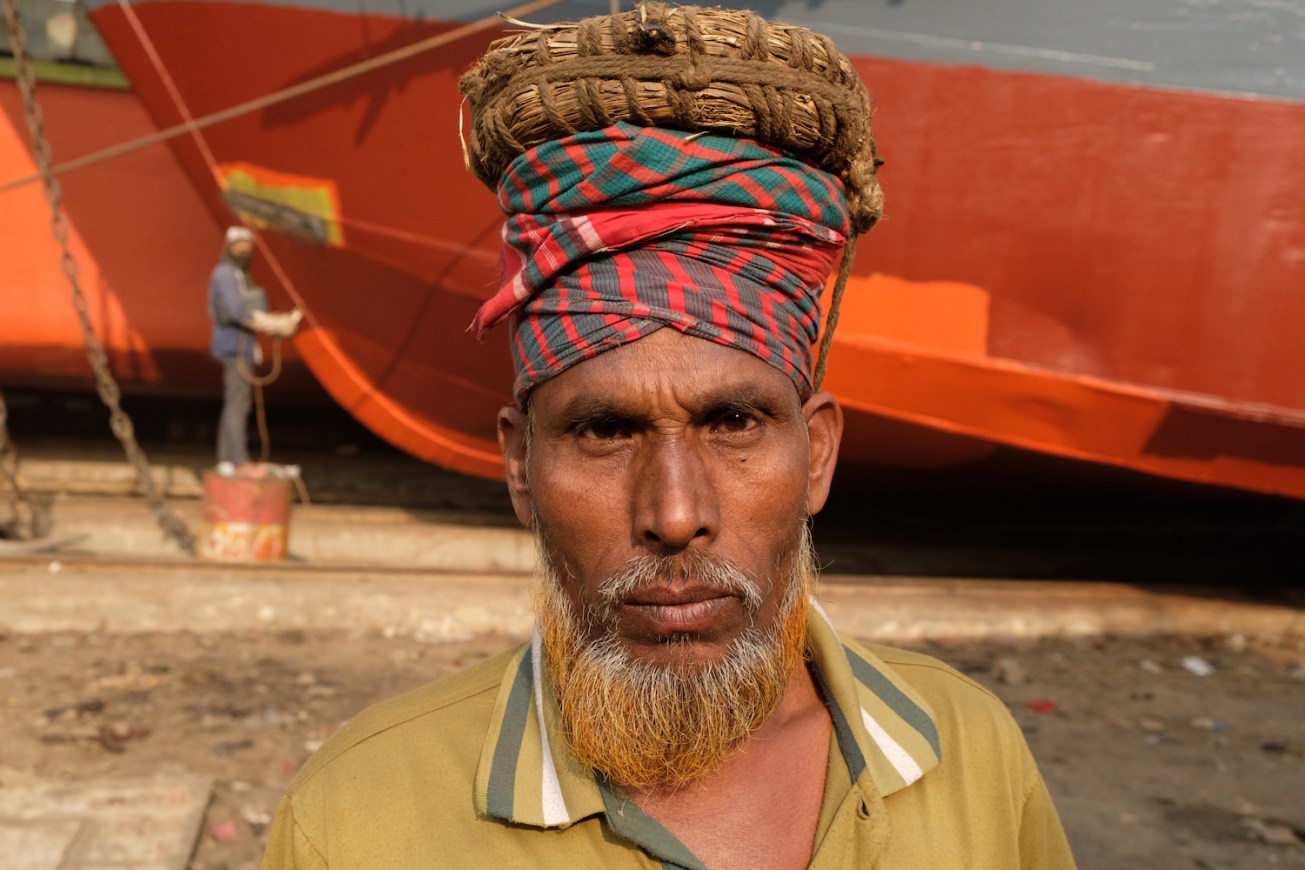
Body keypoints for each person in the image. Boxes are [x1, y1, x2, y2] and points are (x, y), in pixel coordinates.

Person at [263, 5, 1076, 868]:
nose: (675, 514)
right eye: (604, 431)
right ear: (518, 468)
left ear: (819, 456)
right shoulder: (357, 819)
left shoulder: (974, 755)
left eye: (733, 423)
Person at [207, 226, 299, 467]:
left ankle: (226, 459)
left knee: (236, 402)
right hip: (234, 347)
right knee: (238, 404)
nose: (245, 251)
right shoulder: (226, 274)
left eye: (248, 247)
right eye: (240, 246)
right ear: (230, 247)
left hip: (243, 347)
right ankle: (237, 460)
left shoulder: (239, 274)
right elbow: (236, 312)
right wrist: (270, 323)